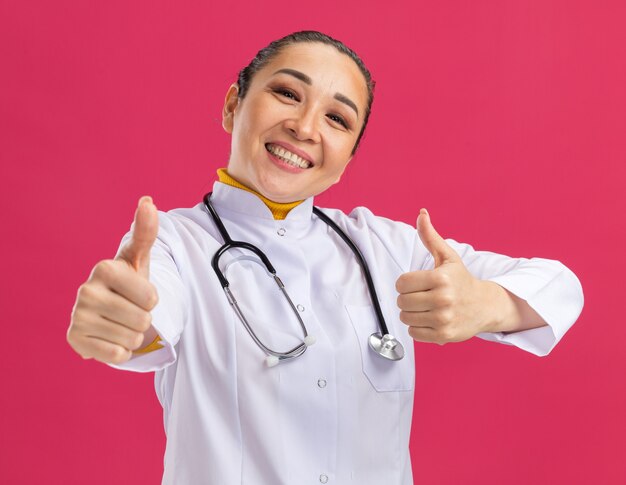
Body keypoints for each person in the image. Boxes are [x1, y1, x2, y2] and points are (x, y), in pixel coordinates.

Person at [67, 31, 584, 485]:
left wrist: (488, 303)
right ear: (232, 106)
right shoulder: (173, 244)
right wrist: (123, 320)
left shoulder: (389, 248)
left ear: (349, 158)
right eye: (287, 93)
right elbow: (147, 310)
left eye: (337, 118)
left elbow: (562, 287)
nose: (306, 127)